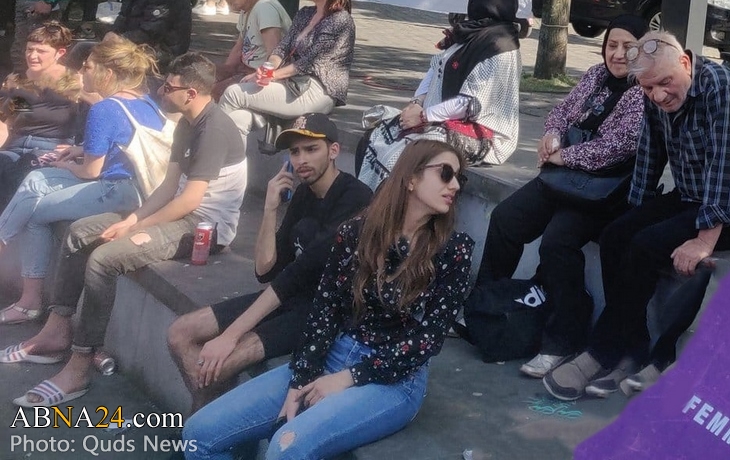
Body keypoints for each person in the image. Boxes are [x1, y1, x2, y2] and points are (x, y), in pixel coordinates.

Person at [179, 139, 475, 460]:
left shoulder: (454, 250)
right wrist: (302, 377)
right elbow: (325, 309)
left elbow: (426, 342)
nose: (455, 185)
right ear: (411, 178)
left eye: (460, 177)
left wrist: (349, 378)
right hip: (334, 353)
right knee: (199, 434)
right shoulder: (357, 232)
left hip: (394, 379)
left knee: (284, 449)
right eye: (446, 174)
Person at [542, 32, 730, 402]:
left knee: (646, 244)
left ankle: (602, 351)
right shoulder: (652, 90)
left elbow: (727, 168)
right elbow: (650, 155)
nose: (658, 95)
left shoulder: (720, 88)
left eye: (665, 83)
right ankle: (633, 348)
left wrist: (704, 240)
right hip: (690, 196)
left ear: (685, 62)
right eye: (648, 88)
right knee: (617, 235)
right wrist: (636, 212)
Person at [9, 54, 246, 408]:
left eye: (169, 87)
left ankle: (79, 366)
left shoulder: (213, 129)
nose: (161, 91)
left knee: (104, 259)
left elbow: (190, 201)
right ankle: (56, 332)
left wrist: (137, 226)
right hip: (177, 212)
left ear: (191, 93)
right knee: (79, 233)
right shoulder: (187, 121)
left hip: (203, 228)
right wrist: (132, 221)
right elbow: (169, 188)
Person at [477, 15, 647, 379]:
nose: (618, 54)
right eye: (612, 45)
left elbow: (619, 147)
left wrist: (564, 156)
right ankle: (484, 305)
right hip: (564, 177)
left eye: (629, 47)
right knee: (506, 219)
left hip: (604, 190)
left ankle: (563, 338)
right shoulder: (595, 76)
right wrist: (552, 136)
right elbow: (561, 112)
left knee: (557, 242)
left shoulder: (643, 89)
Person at [167, 114, 372, 410]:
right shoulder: (303, 194)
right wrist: (270, 208)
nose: (301, 160)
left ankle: (198, 429)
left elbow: (299, 271)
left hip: (327, 311)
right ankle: (204, 420)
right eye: (295, 152)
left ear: (334, 151)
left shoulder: (356, 198)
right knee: (180, 332)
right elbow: (266, 271)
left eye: (311, 149)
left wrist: (231, 335)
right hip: (289, 296)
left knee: (218, 365)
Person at [357, 0, 524, 187]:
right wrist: (416, 104)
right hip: (437, 119)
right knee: (376, 137)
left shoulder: (500, 47)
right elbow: (436, 69)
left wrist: (423, 116)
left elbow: (469, 104)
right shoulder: (472, 34)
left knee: (405, 154)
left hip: (483, 135)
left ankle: (390, 206)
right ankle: (367, 202)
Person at [220, 0, 353, 140]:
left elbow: (309, 62)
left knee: (233, 93)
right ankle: (229, 157)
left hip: (319, 90)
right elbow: (282, 48)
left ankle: (209, 148)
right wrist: (265, 69)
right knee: (239, 118)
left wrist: (271, 75)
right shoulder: (305, 13)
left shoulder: (340, 20)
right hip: (292, 84)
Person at [0, 23, 86, 214]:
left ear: (59, 53)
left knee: (21, 174)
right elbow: (4, 122)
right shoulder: (18, 80)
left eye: (41, 51)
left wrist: (81, 147)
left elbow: (101, 111)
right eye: (29, 49)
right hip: (15, 145)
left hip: (50, 147)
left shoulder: (75, 82)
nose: (32, 56)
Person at [209, 0, 292, 99]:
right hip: (245, 69)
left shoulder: (264, 8)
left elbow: (275, 54)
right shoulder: (247, 7)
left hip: (261, 77)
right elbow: (238, 48)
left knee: (211, 93)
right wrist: (222, 71)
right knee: (200, 81)